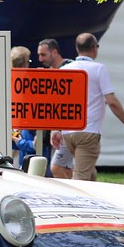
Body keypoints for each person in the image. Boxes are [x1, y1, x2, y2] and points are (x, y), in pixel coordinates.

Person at [53, 33, 124, 181]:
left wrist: (56, 129)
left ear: (77, 48)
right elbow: (112, 101)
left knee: (89, 172)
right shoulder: (98, 69)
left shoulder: (64, 70)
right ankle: (76, 204)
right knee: (81, 177)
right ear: (95, 48)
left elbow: (57, 102)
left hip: (68, 131)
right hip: (89, 131)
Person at [38, 38, 73, 178]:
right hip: (57, 132)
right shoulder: (49, 72)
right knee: (69, 168)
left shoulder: (71, 68)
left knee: (59, 167)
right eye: (39, 55)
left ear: (54, 52)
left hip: (70, 130)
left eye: (43, 55)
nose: (40, 59)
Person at [10, 47, 38, 167]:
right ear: (25, 63)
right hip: (24, 130)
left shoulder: (5, 79)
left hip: (11, 129)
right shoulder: (31, 81)